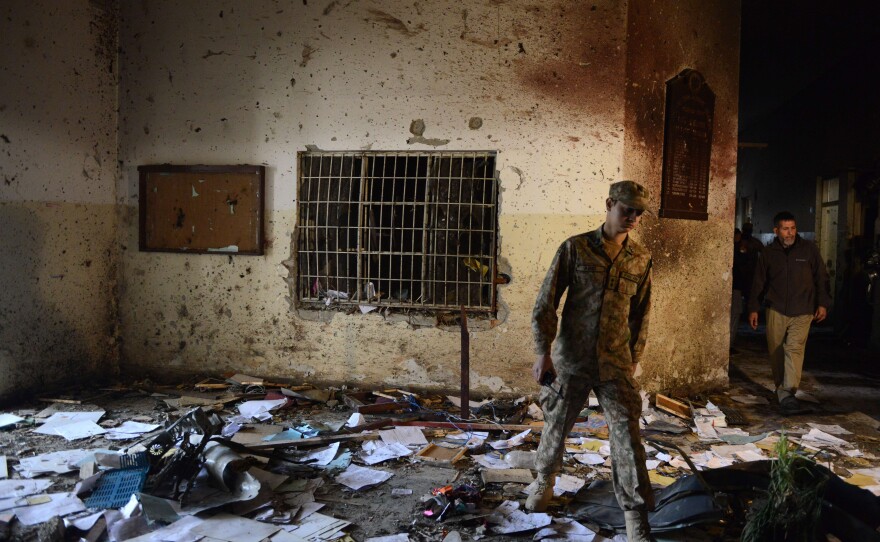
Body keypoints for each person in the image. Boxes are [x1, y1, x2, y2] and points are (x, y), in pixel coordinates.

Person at [530, 180, 654, 541]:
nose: (632, 218)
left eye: (638, 213)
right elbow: (546, 302)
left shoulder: (641, 258)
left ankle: (634, 517)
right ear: (609, 204)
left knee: (628, 436)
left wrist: (634, 360)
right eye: (626, 209)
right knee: (557, 424)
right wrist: (543, 352)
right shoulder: (576, 248)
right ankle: (543, 483)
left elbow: (641, 315)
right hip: (572, 359)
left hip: (616, 361)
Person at [747, 211, 831, 414]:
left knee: (794, 349)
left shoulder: (809, 250)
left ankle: (789, 392)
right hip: (776, 309)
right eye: (785, 229)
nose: (790, 232)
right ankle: (782, 390)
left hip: (803, 309)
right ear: (776, 231)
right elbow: (759, 282)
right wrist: (753, 309)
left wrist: (822, 303)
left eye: (793, 228)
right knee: (776, 351)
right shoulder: (768, 254)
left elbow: (821, 278)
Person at [731, 224, 763, 353]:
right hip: (739, 283)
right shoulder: (740, 247)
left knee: (736, 313)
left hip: (744, 281)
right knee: (734, 314)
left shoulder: (750, 243)